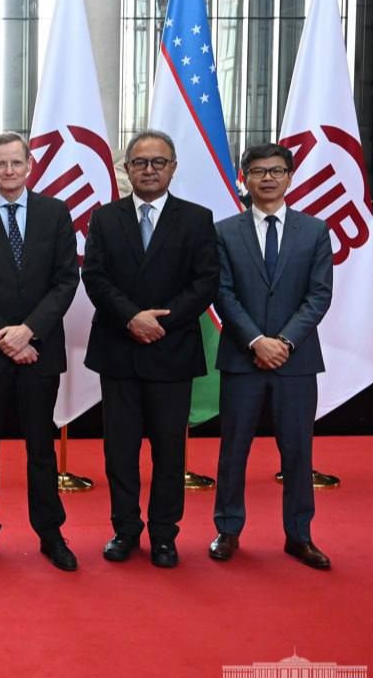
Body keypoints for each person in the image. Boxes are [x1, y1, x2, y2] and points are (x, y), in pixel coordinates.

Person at [82, 130, 219, 568]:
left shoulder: (197, 219)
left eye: (158, 162)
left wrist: (161, 322)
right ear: (127, 169)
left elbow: (205, 282)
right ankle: (125, 530)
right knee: (120, 452)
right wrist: (131, 318)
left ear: (173, 168)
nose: (149, 170)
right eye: (140, 162)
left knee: (169, 452)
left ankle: (164, 534)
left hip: (172, 350)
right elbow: (95, 277)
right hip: (119, 350)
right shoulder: (105, 218)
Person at [0, 133, 80, 571]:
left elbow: (66, 280)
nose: (8, 171)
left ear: (29, 166)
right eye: (0, 163)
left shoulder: (55, 213)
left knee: (41, 448)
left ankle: (50, 533)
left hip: (40, 351)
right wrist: (4, 338)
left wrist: (29, 332)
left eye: (15, 163)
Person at [210, 143, 333, 569]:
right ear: (244, 178)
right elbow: (222, 293)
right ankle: (228, 529)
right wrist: (255, 341)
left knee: (298, 451)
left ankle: (299, 535)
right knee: (234, 449)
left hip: (296, 361)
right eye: (258, 171)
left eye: (276, 171)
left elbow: (319, 295)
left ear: (289, 177)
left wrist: (284, 342)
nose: (267, 178)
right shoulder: (224, 231)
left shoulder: (314, 231)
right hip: (242, 358)